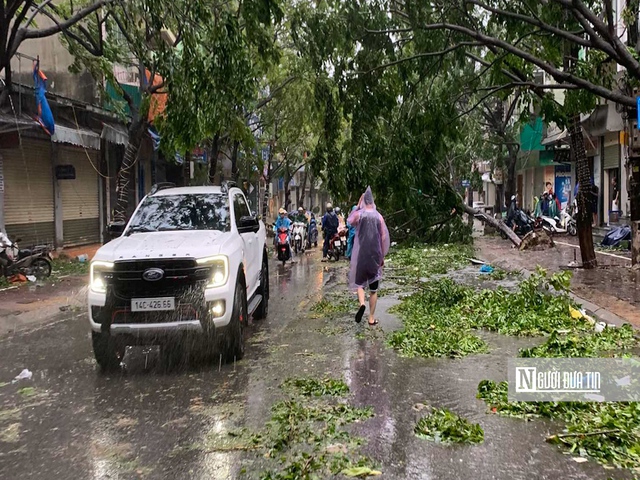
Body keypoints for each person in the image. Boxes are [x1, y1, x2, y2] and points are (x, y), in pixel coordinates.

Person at [348, 187, 390, 326]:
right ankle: (371, 318)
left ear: (364, 201)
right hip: (375, 255)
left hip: (362, 255)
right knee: (373, 289)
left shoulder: (359, 215)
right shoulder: (379, 217)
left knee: (359, 284)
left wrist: (358, 206)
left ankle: (361, 304)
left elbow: (350, 221)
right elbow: (384, 237)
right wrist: (381, 256)